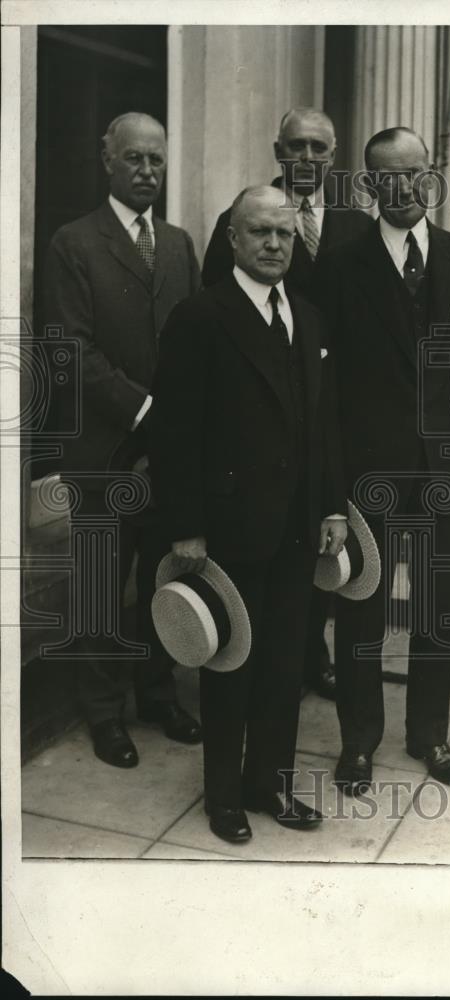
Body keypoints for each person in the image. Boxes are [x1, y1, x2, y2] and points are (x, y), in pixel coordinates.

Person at [148, 186, 348, 844]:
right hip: (229, 528)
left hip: (296, 526)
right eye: (259, 232)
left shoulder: (311, 319)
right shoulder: (200, 317)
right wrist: (185, 529)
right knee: (231, 662)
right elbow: (174, 435)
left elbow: (323, 429)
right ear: (232, 239)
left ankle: (271, 783)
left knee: (285, 662)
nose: (272, 245)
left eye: (284, 235)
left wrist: (331, 510)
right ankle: (224, 795)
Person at [317, 127, 450, 795]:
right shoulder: (340, 266)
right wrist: (333, 485)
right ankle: (358, 742)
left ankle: (429, 734)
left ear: (432, 175)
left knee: (439, 608)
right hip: (371, 473)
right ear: (367, 184)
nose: (402, 186)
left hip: (447, 469)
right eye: (386, 176)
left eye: (414, 172)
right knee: (361, 611)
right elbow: (324, 389)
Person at [43, 112, 202, 769]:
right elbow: (67, 350)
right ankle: (104, 714)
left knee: (165, 573)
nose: (146, 171)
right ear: (106, 161)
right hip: (104, 451)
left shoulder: (179, 243)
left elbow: (193, 341)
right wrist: (143, 411)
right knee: (100, 586)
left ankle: (157, 695)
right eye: (133, 158)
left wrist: (180, 421)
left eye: (156, 161)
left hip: (167, 456)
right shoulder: (72, 243)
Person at [202, 106, 373, 700]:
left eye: (318, 148)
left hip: (336, 412)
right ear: (278, 151)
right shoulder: (244, 217)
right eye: (295, 146)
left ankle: (311, 652)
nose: (306, 158)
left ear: (333, 155)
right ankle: (267, 659)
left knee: (321, 536)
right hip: (264, 422)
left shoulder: (356, 225)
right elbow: (214, 314)